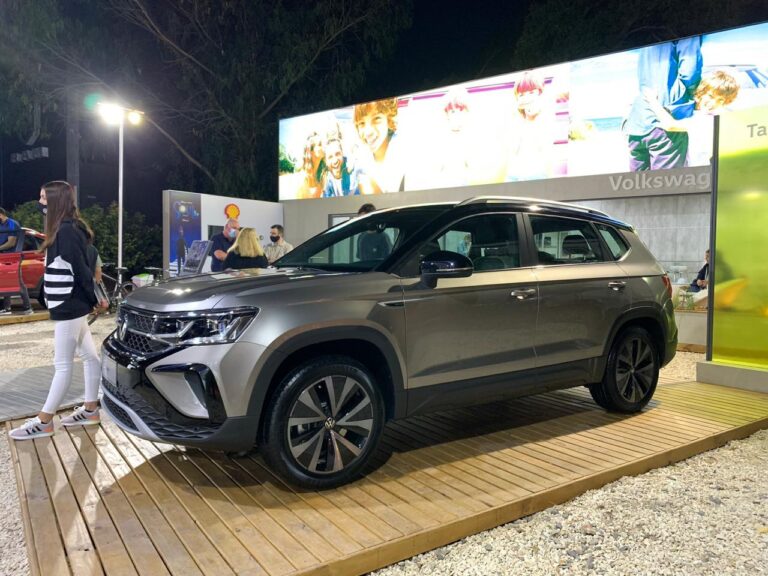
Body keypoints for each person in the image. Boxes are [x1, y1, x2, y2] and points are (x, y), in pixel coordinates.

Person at [9, 181, 101, 441]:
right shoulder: (68, 228)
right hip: (72, 303)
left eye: (43, 198)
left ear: (55, 200)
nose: (40, 203)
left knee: (62, 364)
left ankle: (44, 421)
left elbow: (80, 270)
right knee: (90, 357)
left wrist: (93, 298)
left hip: (69, 304)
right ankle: (91, 409)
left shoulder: (66, 231)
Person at [624, 37, 703, 171]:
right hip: (666, 118)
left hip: (637, 121)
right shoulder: (687, 29)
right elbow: (690, 73)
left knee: (637, 183)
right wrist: (695, 98)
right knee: (668, 183)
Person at [642, 70, 740, 166]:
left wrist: (652, 100)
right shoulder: (705, 114)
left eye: (720, 100)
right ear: (702, 92)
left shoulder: (708, 120)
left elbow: (670, 125)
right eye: (710, 96)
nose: (713, 103)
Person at [354, 98, 406, 194]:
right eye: (362, 123)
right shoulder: (361, 163)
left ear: (388, 119)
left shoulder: (404, 155)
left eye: (376, 119)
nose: (368, 132)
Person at [0, 207, 33, 316]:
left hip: (13, 257)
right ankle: (7, 308)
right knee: (6, 281)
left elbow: (11, 243)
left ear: (1, 214)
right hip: (4, 256)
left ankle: (28, 307)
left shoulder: (11, 224)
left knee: (18, 281)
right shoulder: (2, 225)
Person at [297, 131, 327, 199]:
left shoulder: (321, 175)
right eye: (320, 144)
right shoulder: (302, 180)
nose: (324, 147)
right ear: (311, 151)